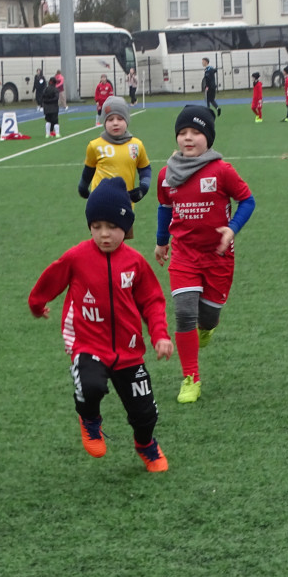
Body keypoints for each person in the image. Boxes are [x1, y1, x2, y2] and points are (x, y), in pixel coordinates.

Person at [28, 177, 174, 472]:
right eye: (97, 227)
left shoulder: (135, 263)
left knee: (145, 412)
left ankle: (145, 443)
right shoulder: (77, 257)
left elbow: (152, 301)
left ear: (126, 228)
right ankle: (90, 419)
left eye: (112, 227)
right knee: (92, 386)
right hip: (87, 342)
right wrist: (37, 303)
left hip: (129, 351)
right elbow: (51, 278)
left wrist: (159, 335)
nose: (104, 234)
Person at [154, 106, 255, 404]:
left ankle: (207, 328)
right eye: (183, 133)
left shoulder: (222, 170)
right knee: (184, 312)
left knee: (207, 318)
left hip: (218, 257)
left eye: (196, 133)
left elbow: (247, 201)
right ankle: (191, 378)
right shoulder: (166, 174)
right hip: (184, 255)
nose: (188, 138)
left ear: (208, 138)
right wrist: (162, 241)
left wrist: (232, 228)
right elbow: (165, 208)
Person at [77, 96, 151, 206]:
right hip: (99, 202)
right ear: (104, 122)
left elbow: (144, 168)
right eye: (110, 119)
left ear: (127, 120)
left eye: (120, 119)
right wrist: (83, 186)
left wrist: (143, 188)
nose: (115, 123)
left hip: (125, 203)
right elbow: (89, 170)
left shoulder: (136, 145)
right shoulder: (95, 145)